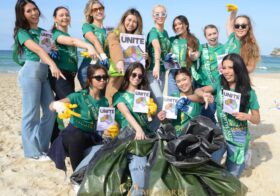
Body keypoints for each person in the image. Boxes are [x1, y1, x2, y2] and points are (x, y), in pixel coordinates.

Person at [13, 0, 64, 160]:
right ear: (22, 15)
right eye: (29, 11)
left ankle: (41, 149)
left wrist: (52, 49)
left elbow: (46, 50)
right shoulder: (22, 32)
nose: (34, 13)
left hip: (42, 73)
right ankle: (31, 152)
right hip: (31, 72)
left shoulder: (44, 32)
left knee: (50, 111)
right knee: (31, 114)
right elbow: (37, 49)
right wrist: (52, 64)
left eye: (35, 9)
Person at [195, 53, 260, 177]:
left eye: (230, 67)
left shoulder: (249, 92)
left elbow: (257, 119)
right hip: (220, 132)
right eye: (224, 68)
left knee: (232, 175)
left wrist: (247, 116)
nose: (226, 71)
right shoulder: (219, 83)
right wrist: (203, 94)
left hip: (238, 138)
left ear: (239, 69)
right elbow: (198, 90)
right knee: (211, 166)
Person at [48, 65, 109, 171]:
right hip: (72, 136)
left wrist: (110, 129)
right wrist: (59, 106)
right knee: (77, 135)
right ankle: (77, 176)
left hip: (91, 136)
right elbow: (51, 105)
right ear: (90, 80)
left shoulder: (105, 101)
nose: (102, 80)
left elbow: (104, 127)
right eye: (98, 78)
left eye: (105, 77)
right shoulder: (78, 96)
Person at [50, 6, 97, 142]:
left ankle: (55, 140)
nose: (65, 17)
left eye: (67, 15)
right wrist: (89, 46)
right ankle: (77, 139)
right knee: (74, 106)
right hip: (60, 76)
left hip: (70, 76)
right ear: (55, 19)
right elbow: (72, 42)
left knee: (59, 107)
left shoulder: (67, 35)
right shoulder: (56, 34)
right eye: (61, 15)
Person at [113, 62, 155, 195]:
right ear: (128, 75)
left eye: (140, 76)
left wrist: (151, 112)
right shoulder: (119, 95)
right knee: (140, 174)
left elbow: (147, 120)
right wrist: (138, 129)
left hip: (146, 134)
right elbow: (126, 113)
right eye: (134, 74)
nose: (137, 78)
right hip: (130, 135)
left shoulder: (143, 95)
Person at [106, 8, 147, 106]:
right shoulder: (114, 34)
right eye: (129, 20)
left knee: (134, 104)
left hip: (134, 77)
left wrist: (146, 57)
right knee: (112, 102)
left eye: (135, 22)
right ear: (124, 19)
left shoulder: (140, 39)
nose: (131, 23)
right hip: (118, 75)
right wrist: (119, 60)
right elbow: (114, 46)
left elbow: (144, 63)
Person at [158, 68, 203, 136]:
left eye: (184, 79)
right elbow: (167, 122)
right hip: (176, 138)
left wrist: (186, 100)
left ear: (191, 78)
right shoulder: (173, 97)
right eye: (178, 81)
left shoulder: (198, 96)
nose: (182, 83)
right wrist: (163, 118)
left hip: (194, 138)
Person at [194, 24, 225, 123]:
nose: (213, 36)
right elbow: (195, 57)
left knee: (209, 112)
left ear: (218, 33)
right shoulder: (201, 47)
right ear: (205, 36)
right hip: (200, 84)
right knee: (198, 111)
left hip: (215, 86)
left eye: (214, 33)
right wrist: (192, 56)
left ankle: (213, 130)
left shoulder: (224, 48)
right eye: (209, 34)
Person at [78, 0, 109, 88]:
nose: (99, 11)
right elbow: (95, 40)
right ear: (90, 13)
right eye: (95, 10)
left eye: (100, 8)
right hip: (88, 68)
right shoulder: (87, 26)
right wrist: (103, 55)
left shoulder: (106, 31)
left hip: (101, 70)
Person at [167, 15, 200, 96]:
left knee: (189, 102)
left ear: (186, 25)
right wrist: (168, 57)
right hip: (173, 74)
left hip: (188, 73)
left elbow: (197, 57)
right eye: (175, 25)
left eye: (180, 24)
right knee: (173, 99)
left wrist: (192, 56)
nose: (177, 26)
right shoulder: (171, 40)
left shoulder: (194, 40)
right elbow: (166, 56)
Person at [146, 4, 170, 109]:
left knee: (157, 102)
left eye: (163, 14)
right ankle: (154, 125)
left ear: (166, 16)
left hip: (163, 71)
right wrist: (156, 65)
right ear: (153, 16)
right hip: (153, 71)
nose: (160, 16)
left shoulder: (165, 33)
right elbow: (157, 48)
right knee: (159, 100)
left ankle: (156, 125)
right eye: (157, 14)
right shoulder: (153, 32)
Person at [225, 6, 260, 73]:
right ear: (234, 27)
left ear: (248, 27)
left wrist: (234, 71)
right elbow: (229, 23)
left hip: (237, 80)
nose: (240, 28)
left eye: (243, 26)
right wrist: (234, 11)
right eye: (237, 26)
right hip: (224, 79)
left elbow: (250, 68)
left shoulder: (251, 46)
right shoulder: (231, 37)